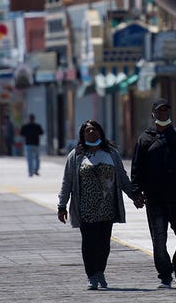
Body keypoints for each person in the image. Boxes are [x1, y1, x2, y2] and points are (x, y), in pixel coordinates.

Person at [57, 119, 141, 291]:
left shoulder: (112, 153)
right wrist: (62, 205)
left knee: (104, 243)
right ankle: (91, 276)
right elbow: (67, 181)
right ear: (82, 134)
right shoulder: (76, 155)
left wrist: (134, 196)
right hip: (85, 208)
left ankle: (100, 271)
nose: (91, 132)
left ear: (100, 132)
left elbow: (123, 178)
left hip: (107, 207)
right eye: (87, 130)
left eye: (94, 129)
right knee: (89, 241)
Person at [130, 99, 176, 289]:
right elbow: (136, 169)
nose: (163, 113)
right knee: (159, 240)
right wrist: (136, 192)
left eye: (166, 110)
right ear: (153, 114)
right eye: (159, 110)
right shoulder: (144, 139)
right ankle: (165, 274)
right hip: (155, 199)